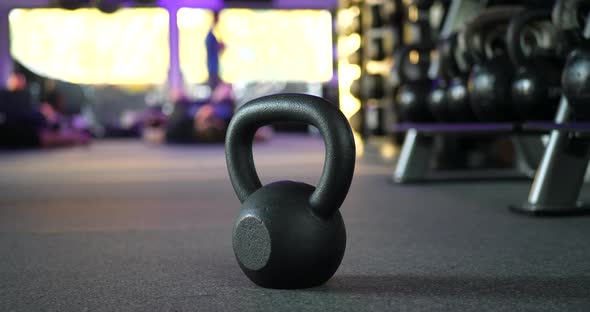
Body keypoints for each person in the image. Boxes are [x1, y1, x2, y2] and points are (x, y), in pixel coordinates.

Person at [206, 11, 225, 90]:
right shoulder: (211, 35)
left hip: (214, 66)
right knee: (215, 88)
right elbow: (218, 47)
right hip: (213, 67)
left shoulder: (212, 34)